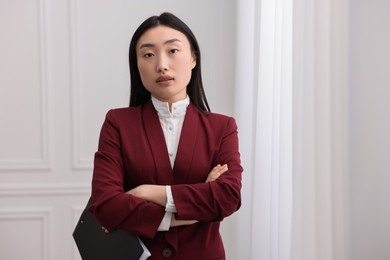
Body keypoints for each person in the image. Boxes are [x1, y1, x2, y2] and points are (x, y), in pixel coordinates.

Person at [89, 12, 243, 260]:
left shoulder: (222, 128)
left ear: (193, 58)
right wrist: (192, 207)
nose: (161, 65)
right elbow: (105, 205)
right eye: (148, 55)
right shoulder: (117, 123)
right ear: (136, 65)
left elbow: (228, 197)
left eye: (172, 51)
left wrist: (145, 192)